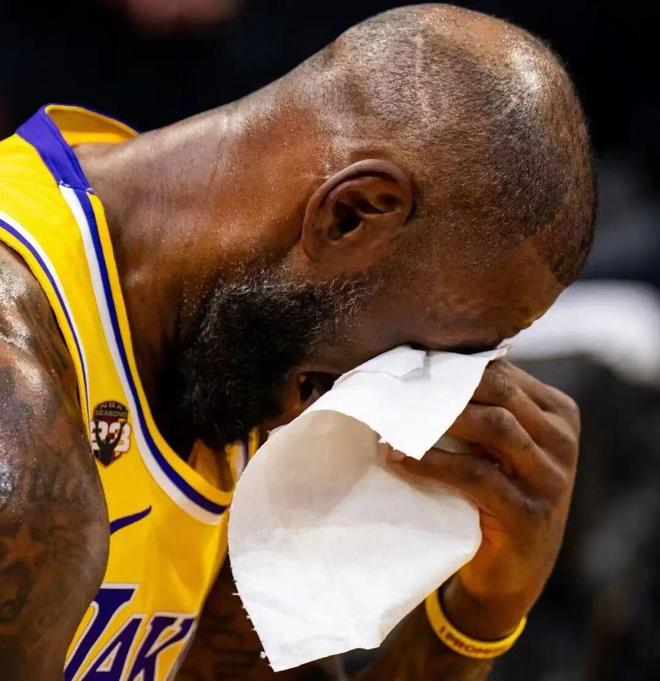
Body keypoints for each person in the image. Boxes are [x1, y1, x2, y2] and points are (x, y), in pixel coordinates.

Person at [0, 3, 594, 680]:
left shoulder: (224, 353)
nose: (417, 397)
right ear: (350, 216)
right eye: (428, 355)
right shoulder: (21, 446)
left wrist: (478, 616)